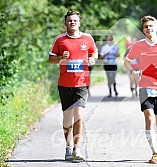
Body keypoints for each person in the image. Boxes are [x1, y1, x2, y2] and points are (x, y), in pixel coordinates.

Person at [124, 15, 157, 164]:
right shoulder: (138, 46)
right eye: (146, 27)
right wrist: (133, 72)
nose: (149, 28)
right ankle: (154, 152)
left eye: (151, 26)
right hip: (145, 86)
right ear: (143, 30)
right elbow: (127, 62)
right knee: (149, 118)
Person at [49, 10, 98, 161]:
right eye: (70, 20)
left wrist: (92, 60)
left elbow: (94, 53)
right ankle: (68, 147)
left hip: (82, 84)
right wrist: (60, 58)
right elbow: (51, 59)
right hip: (64, 84)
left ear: (79, 22)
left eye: (75, 20)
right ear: (65, 23)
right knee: (67, 119)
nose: (72, 22)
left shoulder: (87, 38)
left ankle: (77, 149)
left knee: (79, 116)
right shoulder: (60, 40)